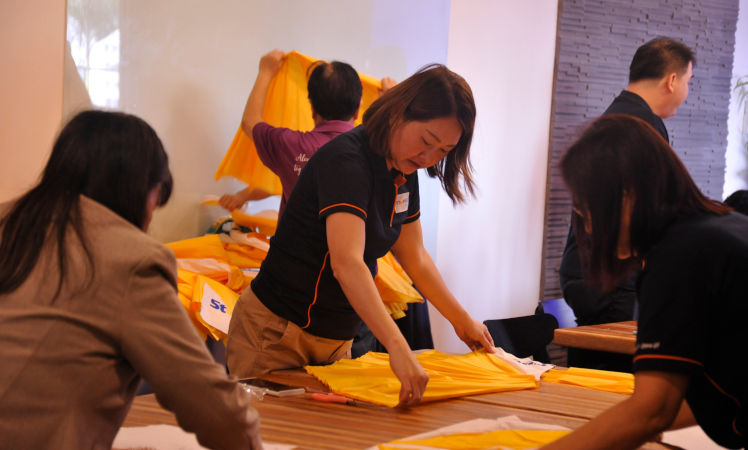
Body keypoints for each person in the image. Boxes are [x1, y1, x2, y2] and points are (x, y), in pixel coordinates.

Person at [227, 64, 494, 407]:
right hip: (277, 336)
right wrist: (398, 349)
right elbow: (347, 263)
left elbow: (415, 256)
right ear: (399, 112)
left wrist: (463, 322)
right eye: (427, 141)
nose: (429, 158)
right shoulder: (347, 160)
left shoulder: (403, 167)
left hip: (335, 339)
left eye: (443, 151)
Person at [0, 111, 262, 449]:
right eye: (156, 198)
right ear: (142, 192)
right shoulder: (132, 259)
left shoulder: (8, 220)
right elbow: (209, 403)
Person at [543, 115, 746, 449]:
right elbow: (710, 395)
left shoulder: (678, 255)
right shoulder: (720, 224)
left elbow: (654, 410)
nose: (590, 231)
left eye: (590, 212)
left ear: (627, 195)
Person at [558, 37, 695, 371]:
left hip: (588, 273)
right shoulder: (643, 128)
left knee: (593, 378)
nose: (686, 92)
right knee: (613, 383)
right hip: (611, 280)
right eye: (688, 82)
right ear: (672, 80)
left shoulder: (615, 117)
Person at [219, 49, 395, 216]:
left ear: (311, 107)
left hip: (296, 248)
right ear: (358, 110)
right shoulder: (377, 150)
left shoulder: (290, 146)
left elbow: (250, 122)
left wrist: (265, 72)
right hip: (355, 248)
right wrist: (391, 104)